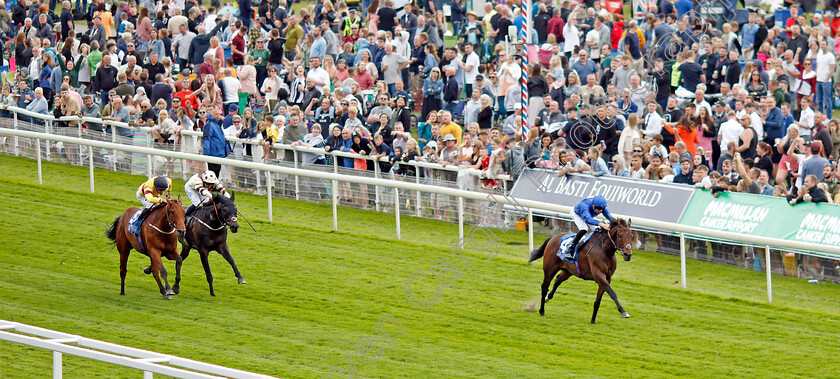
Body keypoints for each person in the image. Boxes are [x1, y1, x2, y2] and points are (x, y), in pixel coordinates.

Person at [564, 195, 616, 260]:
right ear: (593, 205)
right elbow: (587, 219)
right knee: (584, 229)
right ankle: (570, 250)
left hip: (588, 215)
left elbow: (609, 216)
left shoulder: (601, 207)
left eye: (602, 209)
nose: (600, 211)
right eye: (599, 208)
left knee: (598, 229)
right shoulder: (584, 205)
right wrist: (602, 224)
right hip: (577, 214)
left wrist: (617, 223)